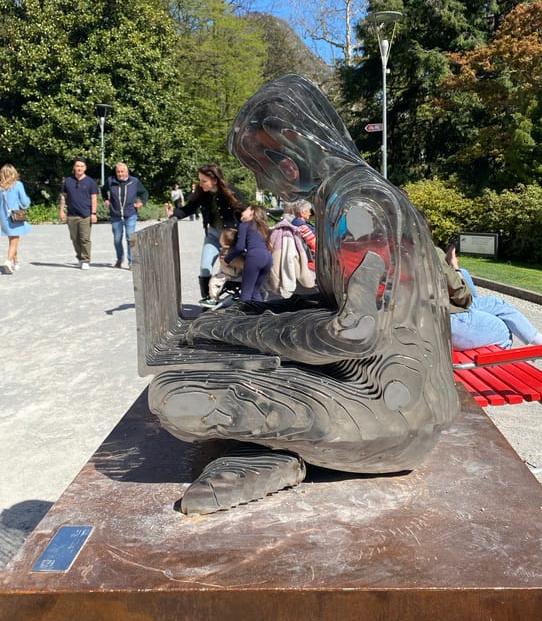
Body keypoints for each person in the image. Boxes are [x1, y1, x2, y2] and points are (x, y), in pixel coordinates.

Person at [150, 73, 459, 514]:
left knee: (172, 395)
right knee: (209, 370)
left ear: (289, 153)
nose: (264, 182)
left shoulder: (359, 206)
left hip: (389, 414)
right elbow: (432, 293)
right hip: (396, 405)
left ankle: (289, 453)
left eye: (260, 166)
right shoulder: (351, 196)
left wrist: (235, 330)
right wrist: (262, 312)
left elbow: (354, 332)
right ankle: (284, 450)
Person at [441, 243, 542, 353]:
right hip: (449, 315)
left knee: (465, 273)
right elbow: (463, 297)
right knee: (503, 328)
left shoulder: (430, 253)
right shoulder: (433, 253)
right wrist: (455, 267)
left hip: (442, 311)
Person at [172, 164, 247, 300]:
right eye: (199, 180)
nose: (200, 184)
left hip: (230, 238)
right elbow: (189, 208)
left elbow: (245, 213)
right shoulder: (202, 194)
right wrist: (174, 215)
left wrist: (246, 236)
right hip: (212, 236)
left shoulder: (232, 192)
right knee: (204, 268)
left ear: (215, 180)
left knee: (231, 269)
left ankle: (241, 297)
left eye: (204, 181)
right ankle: (207, 300)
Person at [221, 204, 273, 303]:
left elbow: (240, 248)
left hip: (255, 257)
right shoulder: (262, 227)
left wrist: (227, 259)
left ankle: (243, 312)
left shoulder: (245, 225)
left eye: (246, 210)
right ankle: (261, 312)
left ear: (252, 213)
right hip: (268, 258)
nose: (242, 212)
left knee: (246, 293)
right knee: (255, 292)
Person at [101, 162, 148, 269]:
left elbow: (144, 192)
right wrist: (106, 200)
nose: (120, 174)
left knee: (130, 238)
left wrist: (142, 203)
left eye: (122, 171)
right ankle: (120, 258)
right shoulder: (111, 180)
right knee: (117, 239)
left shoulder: (134, 181)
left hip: (130, 213)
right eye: (118, 172)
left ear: (127, 172)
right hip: (115, 214)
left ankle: (131, 262)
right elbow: (103, 190)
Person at [59, 158, 98, 270]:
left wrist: (93, 213)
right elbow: (64, 196)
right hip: (72, 214)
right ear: (74, 167)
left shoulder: (90, 182)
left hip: (85, 215)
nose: (79, 168)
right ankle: (80, 258)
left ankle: (86, 260)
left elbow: (94, 198)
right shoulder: (68, 181)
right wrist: (61, 211)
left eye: (81, 166)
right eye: (77, 166)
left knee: (84, 239)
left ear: (85, 168)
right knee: (75, 239)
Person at [200, 227, 245, 308]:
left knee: (214, 281)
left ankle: (213, 298)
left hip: (229, 274)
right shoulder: (235, 250)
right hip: (240, 274)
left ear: (224, 241)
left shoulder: (226, 252)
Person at [0, 164, 32, 274]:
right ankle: (8, 261)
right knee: (14, 240)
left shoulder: (0, 187)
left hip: (3, 218)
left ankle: (16, 262)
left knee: (12, 239)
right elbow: (24, 202)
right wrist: (27, 202)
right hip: (14, 217)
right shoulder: (18, 185)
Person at [290, 198, 317, 265]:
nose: (310, 213)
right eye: (309, 211)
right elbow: (314, 244)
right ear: (302, 213)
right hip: (311, 260)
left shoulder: (295, 222)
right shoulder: (301, 226)